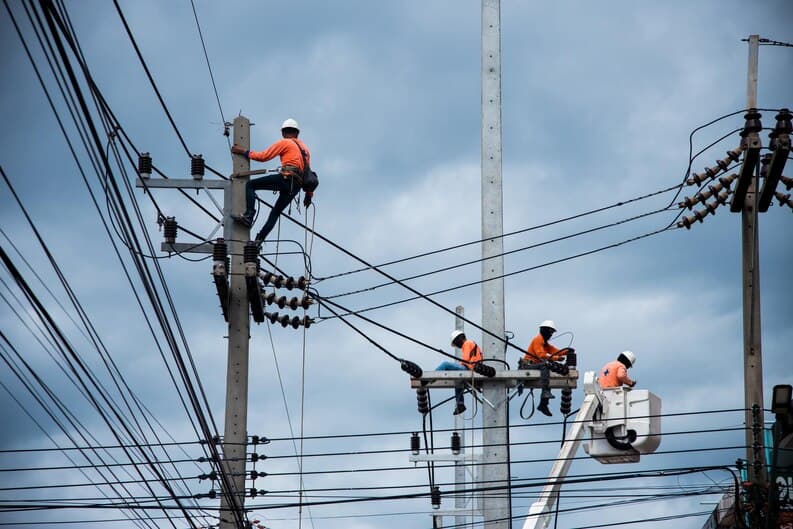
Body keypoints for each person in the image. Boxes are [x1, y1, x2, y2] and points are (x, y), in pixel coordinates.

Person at [230, 118, 313, 243]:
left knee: (251, 185)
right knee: (275, 213)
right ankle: (258, 241)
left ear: (283, 133)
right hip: (296, 186)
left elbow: (263, 157)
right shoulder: (305, 150)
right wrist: (309, 195)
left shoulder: (285, 143)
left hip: (286, 178)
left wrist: (243, 152)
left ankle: (249, 216)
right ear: (297, 133)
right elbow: (308, 174)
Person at [520, 320, 570, 417]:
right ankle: (545, 393)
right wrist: (556, 358)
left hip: (536, 366)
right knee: (546, 364)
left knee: (549, 367)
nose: (551, 334)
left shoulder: (545, 344)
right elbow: (541, 355)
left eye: (552, 332)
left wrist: (567, 351)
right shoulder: (538, 340)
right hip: (527, 366)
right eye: (550, 332)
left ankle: (543, 404)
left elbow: (555, 351)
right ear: (544, 330)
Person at [436, 330, 483, 415]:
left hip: (470, 368)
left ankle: (429, 378)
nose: (457, 346)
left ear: (459, 339)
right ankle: (460, 404)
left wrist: (457, 368)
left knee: (445, 364)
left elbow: (465, 360)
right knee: (458, 382)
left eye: (456, 343)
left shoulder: (467, 343)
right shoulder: (471, 343)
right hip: (474, 369)